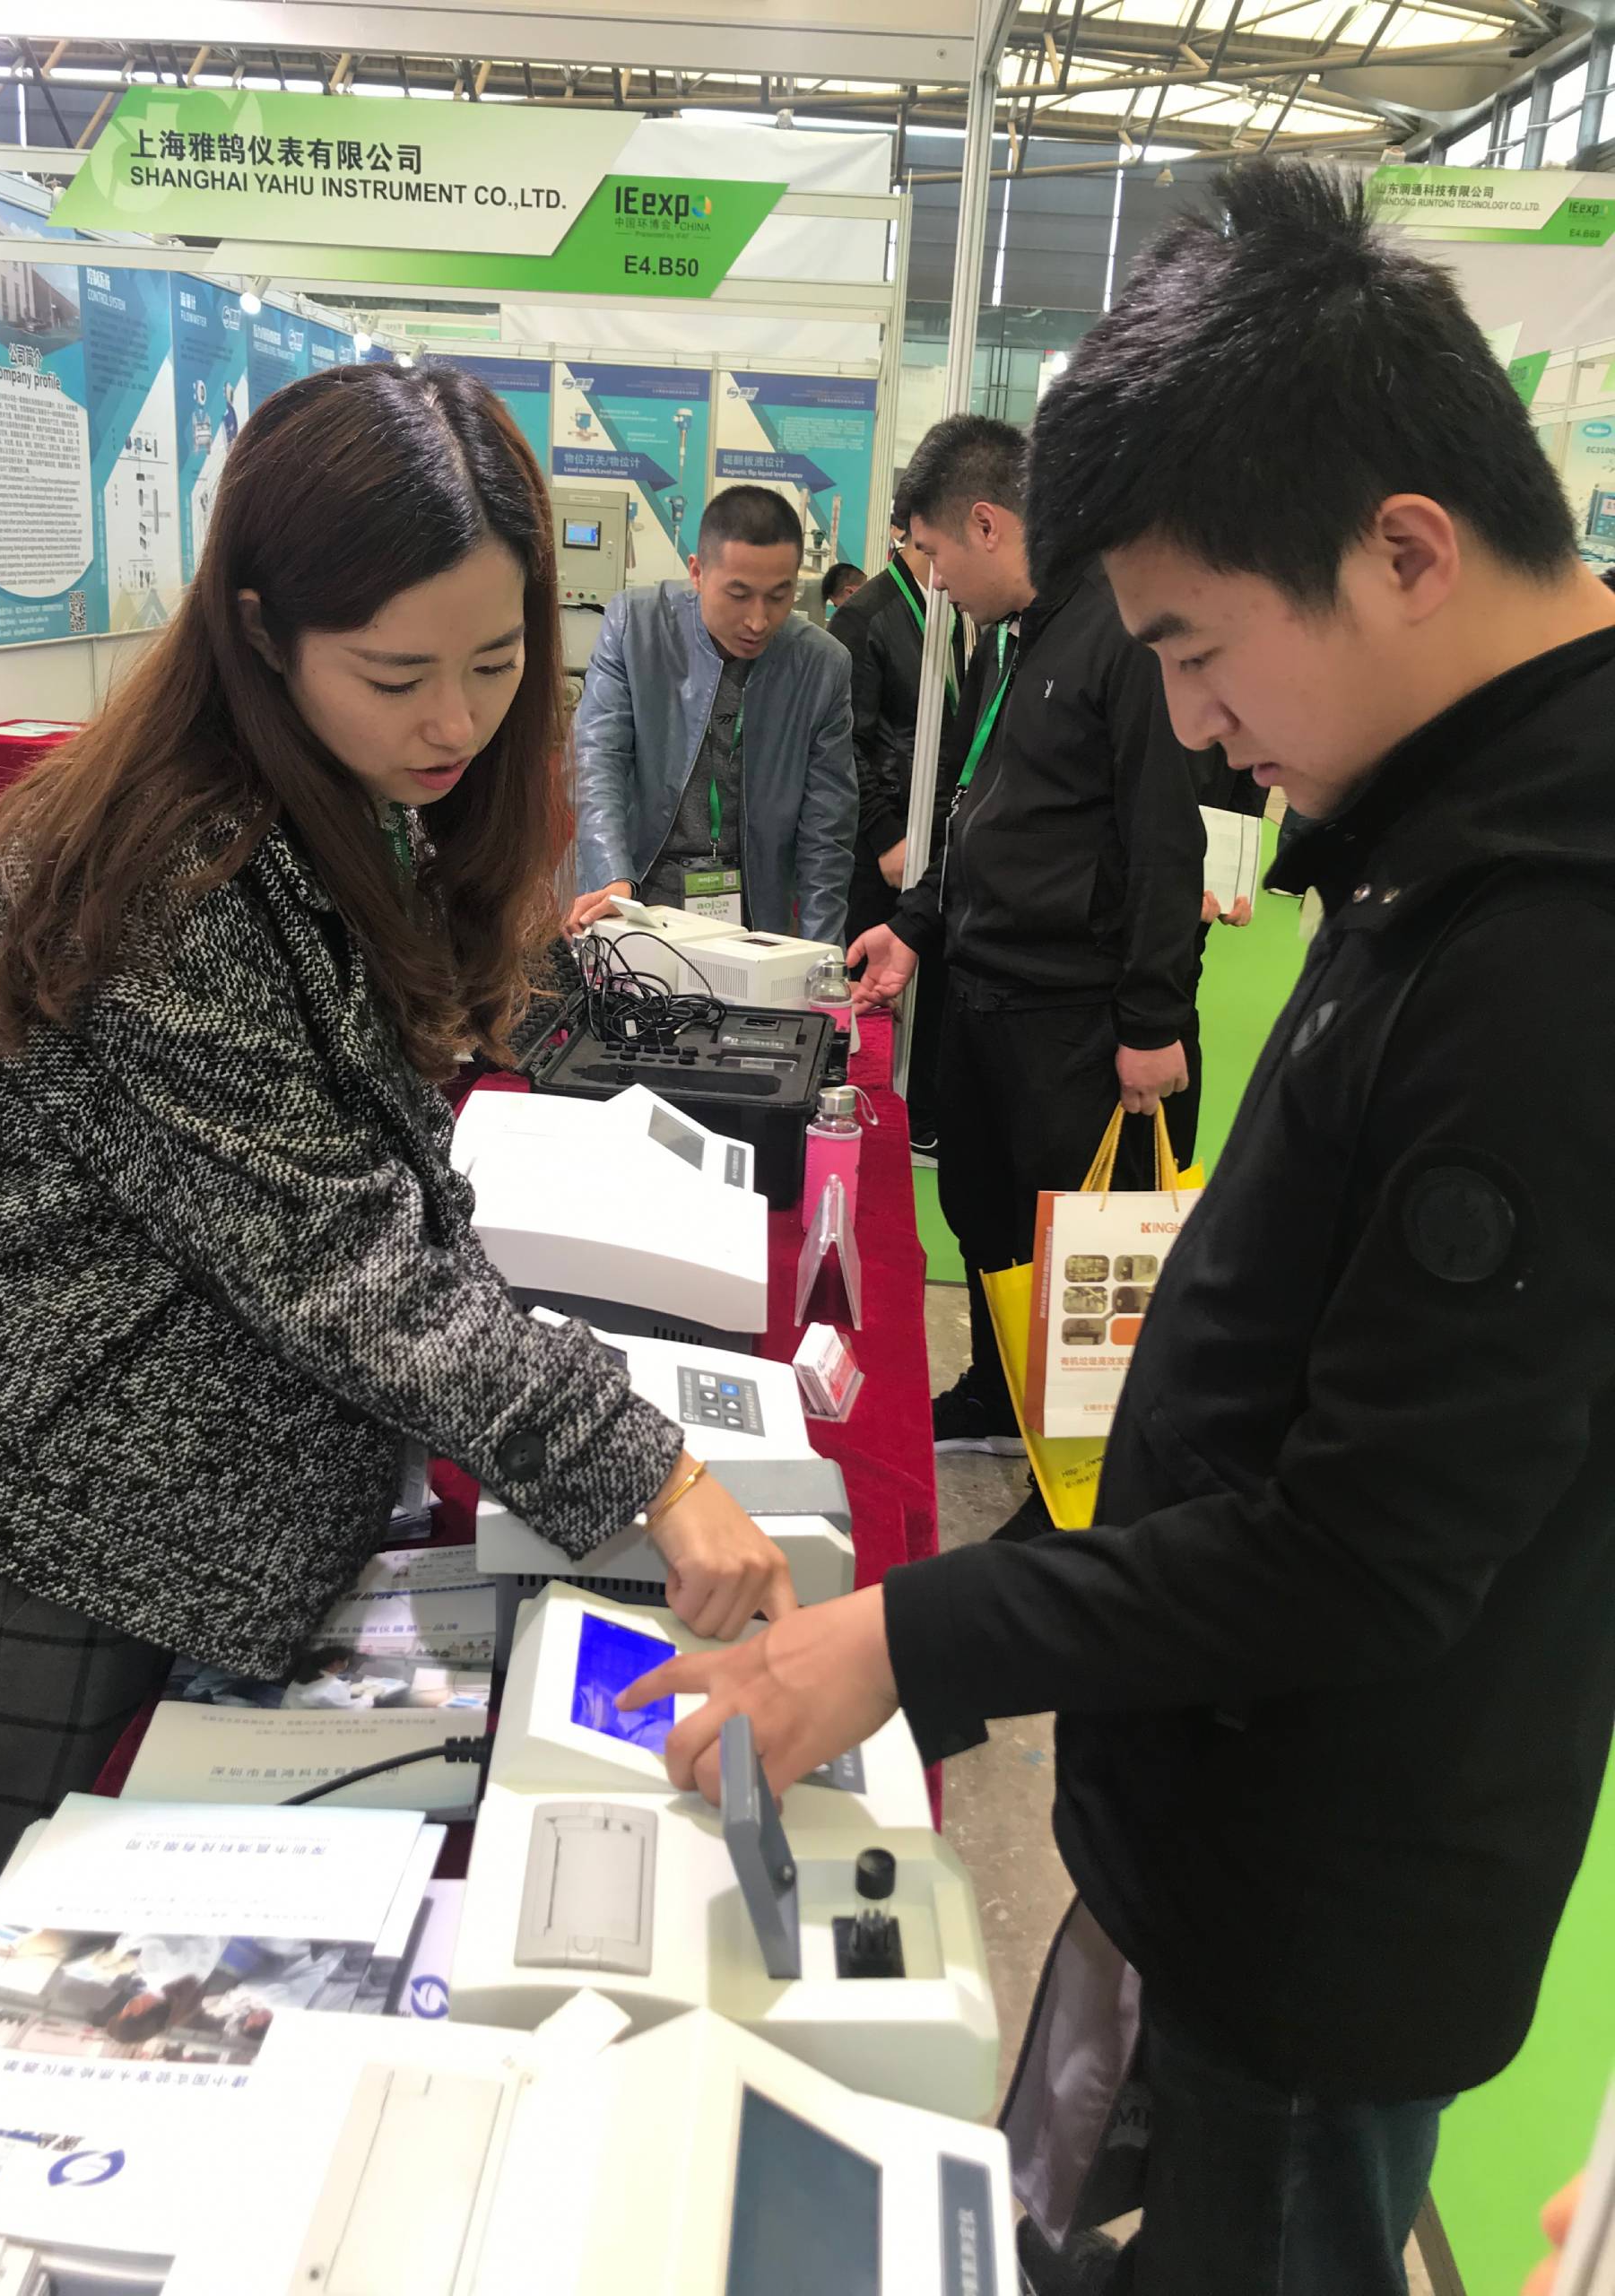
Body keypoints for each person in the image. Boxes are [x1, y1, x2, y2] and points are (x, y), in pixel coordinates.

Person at [621, 161, 1615, 2296]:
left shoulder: (1557, 946)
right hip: (1224, 1836)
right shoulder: (1457, 817)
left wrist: (905, 1636)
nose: (1185, 722)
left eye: (1194, 648)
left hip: (1330, 1901)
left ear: (1404, 552)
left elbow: (1363, 1546)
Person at [0, 362, 796, 2033]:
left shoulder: (337, 802)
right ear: (262, 630)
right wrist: (653, 1471)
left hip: (209, 1522)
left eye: (497, 662)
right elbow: (342, 1264)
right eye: (397, 675)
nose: (454, 722)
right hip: (57, 1539)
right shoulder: (169, 880)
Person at [849, 414, 1205, 1468]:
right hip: (984, 997)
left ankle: (1081, 1465)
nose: (933, 579)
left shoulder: (1121, 635)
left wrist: (1153, 1019)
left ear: (988, 524)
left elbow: (1164, 839)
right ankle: (1000, 1393)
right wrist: (914, 928)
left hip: (1075, 1018)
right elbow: (973, 809)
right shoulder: (1013, 640)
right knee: (982, 1211)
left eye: (934, 552)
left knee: (1075, 1251)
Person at [567, 485, 856, 943]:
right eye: (738, 594)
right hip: (637, 896)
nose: (758, 620)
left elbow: (827, 831)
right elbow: (598, 760)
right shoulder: (635, 626)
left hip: (752, 912)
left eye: (778, 596)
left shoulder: (821, 666)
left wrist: (824, 960)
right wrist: (612, 880)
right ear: (698, 573)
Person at [825, 488, 965, 1156]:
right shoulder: (865, 618)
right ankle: (857, 1122)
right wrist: (885, 835)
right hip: (881, 846)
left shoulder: (958, 613)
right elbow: (842, 743)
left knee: (928, 983)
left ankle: (924, 1116)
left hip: (935, 842)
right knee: (872, 992)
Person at [280, 1646, 359, 1710]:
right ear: (336, 1663)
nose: (348, 1663)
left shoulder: (302, 1677)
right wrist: (365, 1696)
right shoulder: (335, 1687)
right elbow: (352, 1710)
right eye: (347, 1660)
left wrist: (347, 1687)